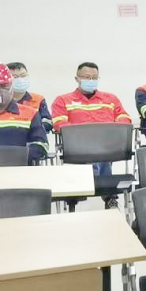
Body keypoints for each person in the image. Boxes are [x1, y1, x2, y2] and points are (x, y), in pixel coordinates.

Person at [52, 62, 131, 207]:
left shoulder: (110, 99)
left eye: (94, 78)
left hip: (107, 145)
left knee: (102, 152)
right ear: (77, 78)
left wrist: (115, 129)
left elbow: (124, 117)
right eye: (87, 77)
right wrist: (82, 136)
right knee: (93, 153)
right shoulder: (63, 100)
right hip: (78, 146)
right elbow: (59, 123)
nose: (91, 80)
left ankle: (91, 186)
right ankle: (106, 193)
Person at [0, 64, 47, 163]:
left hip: (20, 168)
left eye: (4, 86)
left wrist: (16, 157)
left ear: (11, 86)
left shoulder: (30, 113)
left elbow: (41, 145)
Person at [6, 62, 52, 132]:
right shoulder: (2, 101)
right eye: (15, 77)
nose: (20, 80)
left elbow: (48, 122)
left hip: (33, 135)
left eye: (23, 76)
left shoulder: (38, 99)